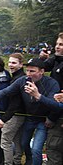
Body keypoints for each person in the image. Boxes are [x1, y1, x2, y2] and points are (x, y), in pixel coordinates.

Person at [0, 58, 60, 165]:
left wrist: (38, 96)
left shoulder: (51, 83)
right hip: (29, 118)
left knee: (36, 149)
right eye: (27, 70)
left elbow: (56, 106)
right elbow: (8, 91)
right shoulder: (23, 80)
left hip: (43, 120)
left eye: (32, 71)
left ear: (42, 71)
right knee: (24, 143)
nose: (29, 74)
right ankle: (29, 162)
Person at [0, 53, 25, 165]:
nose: (10, 65)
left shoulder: (18, 79)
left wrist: (3, 119)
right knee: (17, 140)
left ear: (21, 64)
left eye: (14, 63)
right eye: (9, 62)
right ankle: (17, 161)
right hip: (20, 115)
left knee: (5, 141)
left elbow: (15, 103)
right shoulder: (17, 77)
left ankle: (8, 163)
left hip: (16, 115)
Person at [39, 32, 63, 165]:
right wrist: (42, 59)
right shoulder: (57, 60)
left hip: (59, 116)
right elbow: (41, 67)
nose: (57, 47)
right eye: (57, 44)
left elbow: (59, 97)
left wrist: (52, 117)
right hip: (55, 111)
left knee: (54, 150)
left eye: (61, 44)